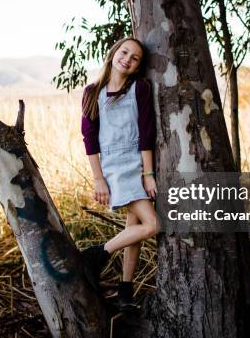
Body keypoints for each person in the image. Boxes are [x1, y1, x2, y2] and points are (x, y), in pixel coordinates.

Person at [80, 37, 160, 312]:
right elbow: (89, 138)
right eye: (124, 52)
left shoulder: (140, 88)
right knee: (151, 226)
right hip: (115, 167)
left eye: (135, 57)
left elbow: (147, 132)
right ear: (114, 53)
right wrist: (98, 177)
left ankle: (125, 292)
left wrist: (148, 173)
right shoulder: (93, 92)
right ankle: (96, 254)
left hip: (137, 162)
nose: (127, 58)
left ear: (138, 67)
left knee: (133, 229)